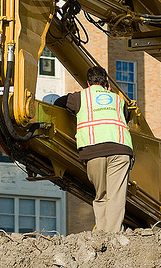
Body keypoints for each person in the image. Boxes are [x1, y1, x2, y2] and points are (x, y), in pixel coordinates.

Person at [55, 65, 133, 232]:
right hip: (120, 151)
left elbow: (58, 102)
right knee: (116, 197)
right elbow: (127, 116)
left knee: (101, 195)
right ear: (107, 84)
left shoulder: (81, 97)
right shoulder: (119, 100)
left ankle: (104, 233)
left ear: (87, 83)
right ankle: (111, 234)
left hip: (93, 152)